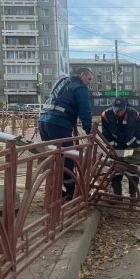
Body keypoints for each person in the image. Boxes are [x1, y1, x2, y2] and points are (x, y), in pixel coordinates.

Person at [38, 67, 93, 200]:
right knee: (68, 157)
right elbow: (85, 111)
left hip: (43, 121)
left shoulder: (61, 82)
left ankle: (54, 190)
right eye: (89, 78)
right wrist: (89, 130)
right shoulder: (80, 88)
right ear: (83, 74)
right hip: (58, 124)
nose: (89, 82)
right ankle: (71, 193)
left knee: (54, 157)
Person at [101, 97, 140, 199]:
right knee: (116, 171)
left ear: (126, 107)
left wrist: (138, 148)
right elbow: (106, 134)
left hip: (131, 147)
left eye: (121, 109)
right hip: (116, 148)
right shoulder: (106, 115)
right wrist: (111, 148)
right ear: (112, 108)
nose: (119, 112)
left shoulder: (134, 114)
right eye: (116, 110)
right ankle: (118, 195)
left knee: (132, 172)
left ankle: (133, 195)